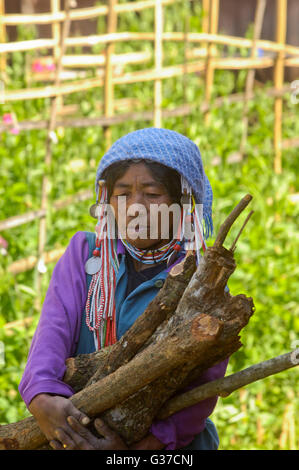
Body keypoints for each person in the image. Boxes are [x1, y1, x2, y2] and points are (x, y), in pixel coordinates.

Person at [19, 127, 229, 450]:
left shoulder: (202, 280)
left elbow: (199, 393)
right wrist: (44, 399)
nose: (136, 207)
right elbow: (50, 338)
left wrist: (137, 450)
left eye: (152, 193)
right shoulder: (85, 254)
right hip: (75, 435)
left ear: (182, 202)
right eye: (123, 193)